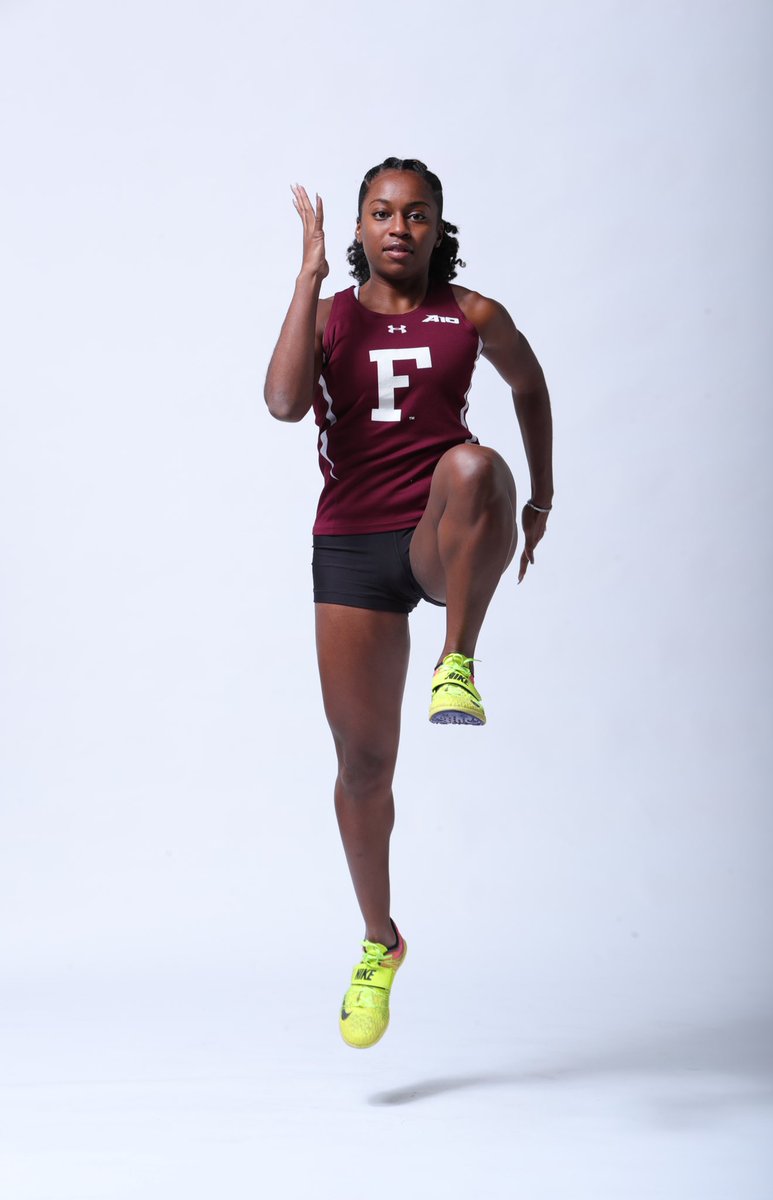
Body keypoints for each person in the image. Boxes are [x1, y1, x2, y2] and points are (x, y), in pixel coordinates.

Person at [264, 157, 553, 1049]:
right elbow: (280, 403)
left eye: (416, 214)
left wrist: (540, 499)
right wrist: (308, 275)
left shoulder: (472, 316)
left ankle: (456, 661)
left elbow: (529, 388)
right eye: (381, 213)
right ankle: (378, 943)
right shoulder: (328, 318)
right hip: (351, 548)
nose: (399, 227)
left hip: (437, 537)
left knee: (473, 465)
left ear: (437, 228)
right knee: (361, 768)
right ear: (358, 229)